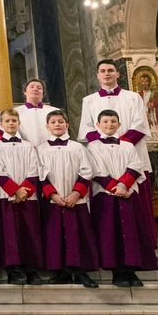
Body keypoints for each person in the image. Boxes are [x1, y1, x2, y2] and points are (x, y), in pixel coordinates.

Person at [77, 59, 156, 252]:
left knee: (139, 206)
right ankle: (107, 248)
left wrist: (121, 144)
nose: (107, 74)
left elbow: (139, 126)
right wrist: (105, 142)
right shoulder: (89, 100)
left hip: (132, 157)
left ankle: (144, 246)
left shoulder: (133, 97)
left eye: (110, 70)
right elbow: (87, 129)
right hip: (103, 160)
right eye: (102, 71)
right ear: (97, 75)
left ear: (118, 74)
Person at [85, 109, 158, 287]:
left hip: (127, 194)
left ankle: (131, 270)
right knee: (110, 233)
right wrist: (114, 187)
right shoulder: (92, 147)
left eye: (113, 121)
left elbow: (135, 165)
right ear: (98, 125)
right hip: (105, 196)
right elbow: (95, 169)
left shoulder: (128, 146)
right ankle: (117, 272)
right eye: (105, 122)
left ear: (118, 124)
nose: (109, 124)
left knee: (130, 234)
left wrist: (124, 185)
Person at [36, 110, 99, 288]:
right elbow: (40, 176)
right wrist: (53, 195)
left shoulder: (77, 147)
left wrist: (76, 193)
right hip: (53, 201)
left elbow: (86, 171)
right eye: (53, 122)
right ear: (47, 126)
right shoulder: (41, 149)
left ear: (67, 125)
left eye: (61, 121)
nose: (57, 124)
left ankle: (80, 272)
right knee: (54, 235)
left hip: (75, 200)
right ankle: (59, 272)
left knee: (78, 235)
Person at [0, 108, 43, 285]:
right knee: (8, 233)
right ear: (1, 124)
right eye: (7, 121)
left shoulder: (27, 146)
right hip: (5, 196)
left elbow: (33, 170)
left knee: (29, 231)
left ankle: (31, 268)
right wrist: (14, 190)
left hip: (27, 195)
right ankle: (14, 269)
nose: (11, 123)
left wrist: (24, 190)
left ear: (19, 123)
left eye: (14, 120)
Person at [14, 78, 60, 145]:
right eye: (32, 87)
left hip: (51, 150)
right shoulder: (15, 112)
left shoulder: (55, 111)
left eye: (39, 88)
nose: (35, 89)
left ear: (43, 93)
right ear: (25, 92)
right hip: (25, 149)